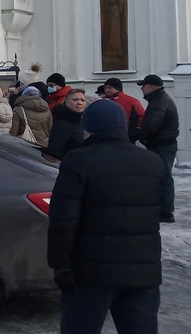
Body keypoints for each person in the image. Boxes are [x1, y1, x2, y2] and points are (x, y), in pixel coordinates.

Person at [48, 100, 168, 334]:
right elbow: (159, 210)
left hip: (91, 273)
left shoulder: (78, 160)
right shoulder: (153, 161)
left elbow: (63, 220)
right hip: (144, 271)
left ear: (89, 127)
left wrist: (60, 266)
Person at [137, 75, 179, 223]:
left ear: (153, 86)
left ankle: (166, 212)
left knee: (164, 177)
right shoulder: (159, 99)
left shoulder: (160, 101)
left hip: (163, 145)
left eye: (144, 85)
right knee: (160, 175)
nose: (142, 88)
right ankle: (161, 209)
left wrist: (139, 134)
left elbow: (152, 124)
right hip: (162, 144)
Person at [45, 89, 87, 161]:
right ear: (66, 102)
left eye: (82, 100)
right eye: (75, 100)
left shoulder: (84, 120)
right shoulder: (62, 122)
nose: (79, 103)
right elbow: (54, 152)